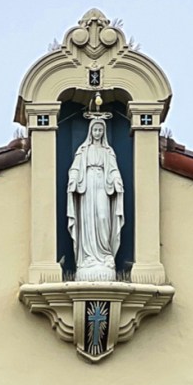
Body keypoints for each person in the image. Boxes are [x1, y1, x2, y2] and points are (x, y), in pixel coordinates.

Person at [66, 117, 124, 281]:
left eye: (100, 130)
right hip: (87, 187)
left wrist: (117, 181)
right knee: (88, 220)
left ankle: (105, 254)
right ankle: (87, 257)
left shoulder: (108, 151)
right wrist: (73, 180)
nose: (97, 133)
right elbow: (75, 168)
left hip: (102, 185)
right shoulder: (83, 150)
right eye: (95, 130)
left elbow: (113, 170)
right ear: (90, 131)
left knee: (103, 217)